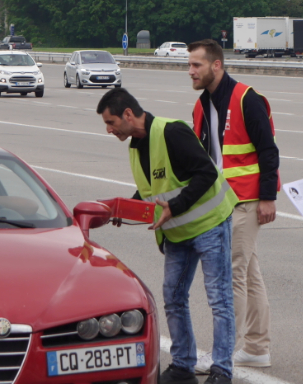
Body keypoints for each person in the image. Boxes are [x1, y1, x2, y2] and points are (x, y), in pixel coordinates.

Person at [97, 88, 239, 384]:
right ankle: (183, 366)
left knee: (219, 299)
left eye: (111, 123)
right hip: (176, 233)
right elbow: (151, 192)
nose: (109, 130)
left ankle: (222, 371)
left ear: (127, 114)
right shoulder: (135, 146)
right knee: (173, 296)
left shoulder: (172, 132)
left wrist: (173, 207)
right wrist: (129, 210)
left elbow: (206, 173)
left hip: (210, 224)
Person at [187, 39, 279, 372]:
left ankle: (222, 353)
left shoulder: (245, 98)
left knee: (230, 276)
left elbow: (268, 150)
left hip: (246, 200)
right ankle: (256, 347)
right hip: (222, 203)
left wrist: (268, 197)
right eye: (190, 65)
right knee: (250, 274)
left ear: (216, 65)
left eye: (196, 65)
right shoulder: (201, 106)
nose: (190, 71)